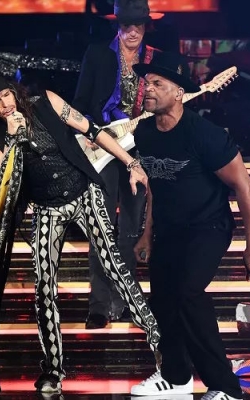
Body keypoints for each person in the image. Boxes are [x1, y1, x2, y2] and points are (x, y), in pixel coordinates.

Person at [0, 68, 161, 397]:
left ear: (14, 90)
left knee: (116, 270)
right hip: (46, 208)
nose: (5, 104)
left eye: (6, 94)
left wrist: (131, 164)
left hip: (84, 193)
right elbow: (5, 184)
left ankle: (160, 344)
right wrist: (13, 138)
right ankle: (53, 370)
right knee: (43, 289)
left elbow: (93, 130)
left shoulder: (46, 102)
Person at [128, 51, 250, 400]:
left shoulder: (204, 134)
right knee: (163, 301)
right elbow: (156, 187)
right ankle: (175, 378)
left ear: (179, 93)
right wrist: (147, 233)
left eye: (157, 83)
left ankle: (225, 387)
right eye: (146, 83)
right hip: (169, 229)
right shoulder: (145, 133)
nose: (148, 89)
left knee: (188, 294)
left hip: (208, 226)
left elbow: (244, 186)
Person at [72, 0, 162, 329]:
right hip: (103, 147)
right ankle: (98, 305)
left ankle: (125, 301)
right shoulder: (98, 55)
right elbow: (80, 103)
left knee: (131, 229)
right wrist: (89, 133)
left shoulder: (155, 60)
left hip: (140, 152)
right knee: (102, 225)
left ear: (146, 25)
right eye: (127, 25)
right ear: (118, 25)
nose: (133, 31)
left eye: (139, 25)